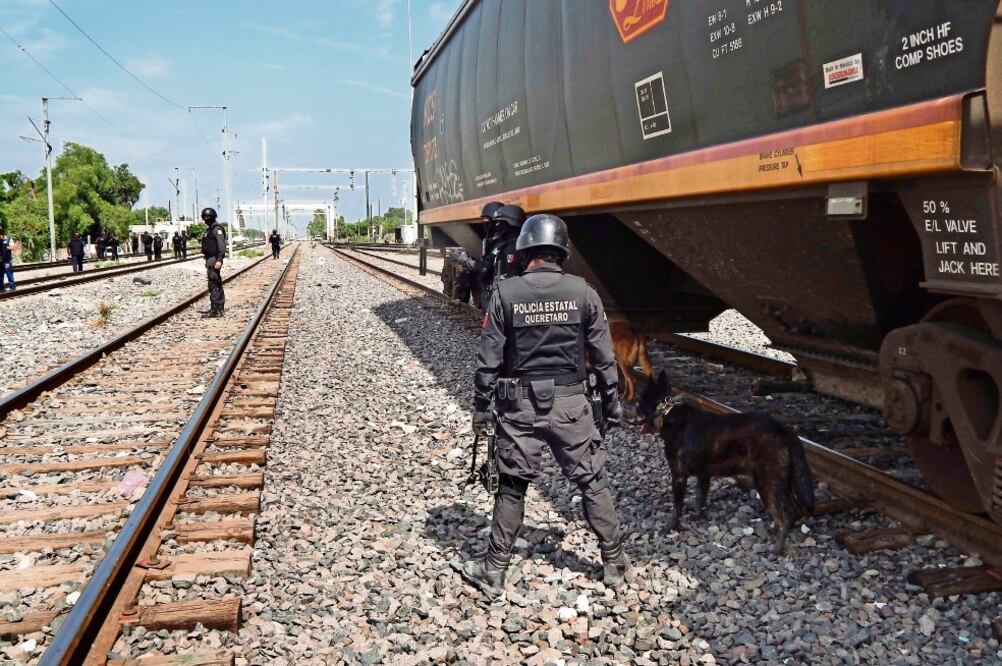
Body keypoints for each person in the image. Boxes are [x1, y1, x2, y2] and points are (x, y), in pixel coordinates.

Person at [459, 213, 630, 599]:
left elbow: (488, 360)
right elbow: (604, 358)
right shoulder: (584, 293)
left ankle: (494, 570)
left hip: (519, 407)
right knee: (592, 480)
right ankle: (615, 562)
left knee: (512, 486)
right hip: (571, 406)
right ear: (561, 251)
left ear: (525, 251)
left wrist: (481, 406)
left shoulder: (505, 294)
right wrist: (612, 402)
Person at [200, 207, 227, 318]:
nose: (206, 219)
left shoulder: (217, 229)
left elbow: (222, 246)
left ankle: (215, 310)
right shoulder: (210, 230)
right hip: (210, 259)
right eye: (204, 217)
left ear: (212, 217)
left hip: (214, 259)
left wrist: (219, 260)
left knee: (214, 284)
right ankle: (219, 308)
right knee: (216, 283)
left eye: (207, 217)